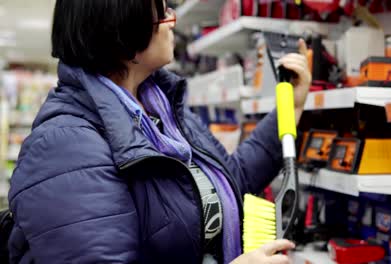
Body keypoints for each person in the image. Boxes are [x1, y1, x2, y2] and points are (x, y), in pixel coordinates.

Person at [7, 0, 311, 263]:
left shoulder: (161, 113)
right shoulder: (65, 146)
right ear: (123, 31)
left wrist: (290, 107)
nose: (172, 20)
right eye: (161, 12)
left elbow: (232, 180)